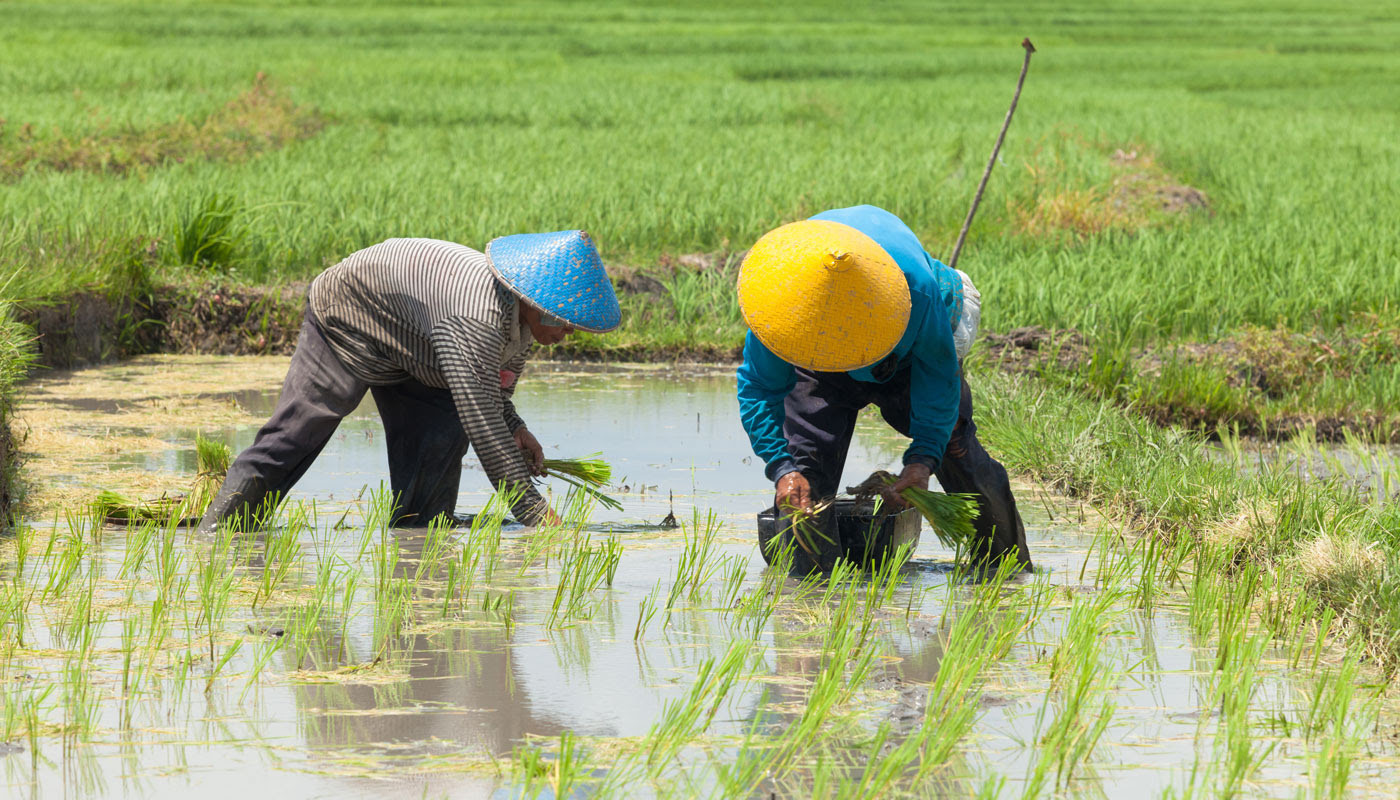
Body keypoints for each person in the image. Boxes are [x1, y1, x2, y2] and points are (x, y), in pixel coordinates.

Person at [198, 231, 621, 532]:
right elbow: (485, 429)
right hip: (354, 313)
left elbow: (492, 397)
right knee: (297, 434)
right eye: (565, 324)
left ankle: (417, 543)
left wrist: (519, 429)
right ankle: (219, 533)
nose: (567, 335)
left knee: (438, 448)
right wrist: (535, 514)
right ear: (532, 301)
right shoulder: (476, 319)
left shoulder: (523, 330)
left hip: (421, 346)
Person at [735, 205, 1032, 572]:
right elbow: (758, 389)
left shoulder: (916, 296)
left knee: (952, 443)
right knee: (805, 475)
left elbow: (937, 384)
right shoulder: (782, 304)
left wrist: (923, 460)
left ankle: (1003, 567)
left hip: (908, 350)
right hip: (820, 357)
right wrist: (782, 468)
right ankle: (808, 586)